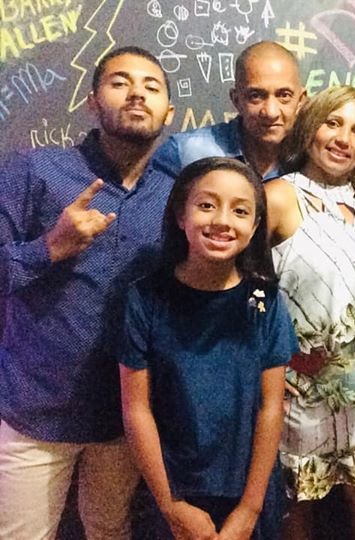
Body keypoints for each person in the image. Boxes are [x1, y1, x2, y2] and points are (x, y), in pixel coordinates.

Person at [0, 46, 175, 539]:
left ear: (168, 113)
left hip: (124, 416)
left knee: (109, 530)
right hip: (35, 410)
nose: (136, 93)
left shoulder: (175, 194)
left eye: (151, 86)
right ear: (92, 102)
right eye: (120, 82)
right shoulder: (34, 171)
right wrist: (50, 247)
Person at [119, 157, 299, 540]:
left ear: (255, 226)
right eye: (206, 205)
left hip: (249, 492)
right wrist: (171, 505)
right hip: (171, 490)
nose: (222, 220)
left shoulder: (264, 301)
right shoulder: (145, 298)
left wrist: (249, 510)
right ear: (180, 215)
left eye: (240, 211)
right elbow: (136, 409)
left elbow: (271, 407)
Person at [265, 86, 355, 540]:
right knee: (296, 506)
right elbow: (243, 288)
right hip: (298, 387)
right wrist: (262, 364)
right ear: (311, 127)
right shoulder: (278, 197)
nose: (344, 138)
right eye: (333, 123)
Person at [153, 41, 306, 181]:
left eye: (284, 96)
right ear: (236, 100)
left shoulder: (311, 161)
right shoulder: (184, 153)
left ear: (301, 100)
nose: (271, 113)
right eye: (256, 96)